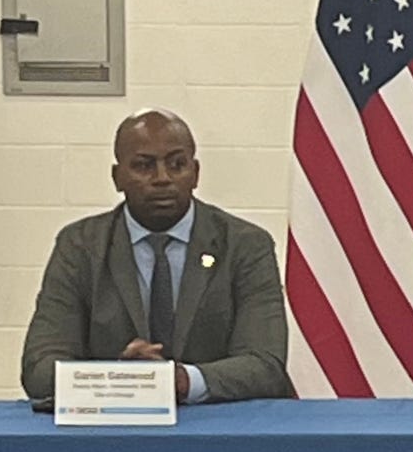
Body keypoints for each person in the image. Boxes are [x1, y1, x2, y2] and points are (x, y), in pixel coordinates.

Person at [22, 108, 293, 405]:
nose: (162, 178)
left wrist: (181, 380)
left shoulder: (245, 245)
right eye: (143, 166)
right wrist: (120, 380)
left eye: (177, 164)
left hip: (218, 429)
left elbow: (265, 365)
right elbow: (39, 368)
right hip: (112, 430)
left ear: (196, 173)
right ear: (117, 177)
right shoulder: (80, 247)